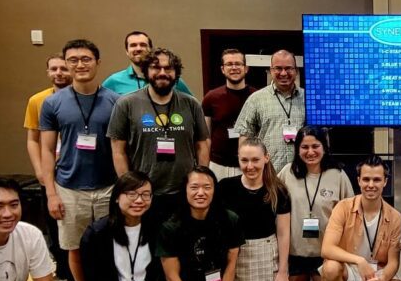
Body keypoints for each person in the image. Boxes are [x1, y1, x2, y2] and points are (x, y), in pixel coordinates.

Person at [39, 39, 119, 281]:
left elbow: (122, 147)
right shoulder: (53, 103)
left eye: (86, 59)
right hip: (70, 186)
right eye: (73, 60)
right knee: (75, 248)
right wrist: (51, 193)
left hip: (109, 185)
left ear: (97, 63)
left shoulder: (114, 101)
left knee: (113, 244)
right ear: (66, 64)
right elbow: (46, 150)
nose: (80, 64)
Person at [108, 48, 210, 222]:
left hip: (183, 192)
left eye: (168, 68)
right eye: (156, 67)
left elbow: (202, 145)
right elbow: (118, 151)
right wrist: (130, 188)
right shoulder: (126, 104)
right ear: (146, 71)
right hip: (143, 195)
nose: (162, 72)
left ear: (176, 73)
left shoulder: (191, 103)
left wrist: (199, 183)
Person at [217, 137, 291, 281]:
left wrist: (283, 271)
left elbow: (283, 233)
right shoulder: (226, 187)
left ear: (266, 158)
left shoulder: (278, 190)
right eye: (244, 161)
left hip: (269, 253)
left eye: (255, 160)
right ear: (238, 160)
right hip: (240, 256)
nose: (250, 166)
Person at [279, 126, 353, 281]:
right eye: (304, 147)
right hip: (295, 253)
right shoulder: (287, 172)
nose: (310, 152)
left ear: (324, 147)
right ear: (297, 149)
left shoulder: (338, 174)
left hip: (325, 253)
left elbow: (350, 214)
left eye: (315, 146)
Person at [23, 55, 72, 281]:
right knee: (56, 227)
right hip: (52, 173)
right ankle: (63, 275)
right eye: (54, 69)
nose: (59, 73)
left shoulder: (85, 99)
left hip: (76, 171)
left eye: (64, 68)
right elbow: (33, 140)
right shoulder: (39, 101)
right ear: (47, 72)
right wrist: (40, 170)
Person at [235, 49, 306, 172]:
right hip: (267, 175)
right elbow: (245, 138)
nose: (283, 73)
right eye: (278, 68)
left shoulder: (309, 99)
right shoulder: (256, 99)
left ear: (296, 71)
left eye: (288, 68)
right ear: (271, 70)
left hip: (302, 174)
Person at [203, 48, 256, 181]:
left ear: (246, 68)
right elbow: (205, 136)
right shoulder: (211, 97)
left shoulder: (257, 97)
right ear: (222, 69)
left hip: (248, 164)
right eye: (229, 64)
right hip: (218, 165)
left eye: (238, 64)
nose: (234, 68)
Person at [102, 30, 192, 96]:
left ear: (151, 49)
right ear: (126, 51)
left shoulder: (168, 78)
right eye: (133, 45)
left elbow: (191, 106)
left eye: (143, 45)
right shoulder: (114, 81)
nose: (138, 49)